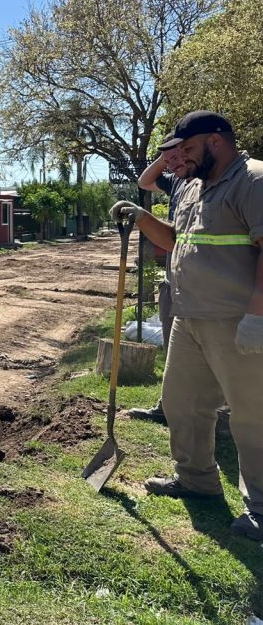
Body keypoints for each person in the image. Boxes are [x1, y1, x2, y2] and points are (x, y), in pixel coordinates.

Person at [111, 110, 263, 541]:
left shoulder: (253, 181)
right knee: (182, 404)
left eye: (188, 149)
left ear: (215, 141)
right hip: (190, 316)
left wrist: (257, 317)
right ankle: (197, 480)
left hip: (235, 322)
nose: (182, 160)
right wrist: (141, 219)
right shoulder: (197, 185)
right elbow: (178, 241)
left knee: (253, 417)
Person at [127, 133, 190, 423]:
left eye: (178, 155)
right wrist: (165, 156)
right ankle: (167, 406)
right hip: (171, 279)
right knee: (172, 347)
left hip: (199, 283)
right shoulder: (175, 180)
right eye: (168, 159)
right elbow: (144, 181)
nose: (173, 162)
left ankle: (221, 414)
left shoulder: (203, 181)